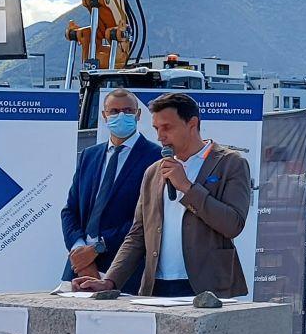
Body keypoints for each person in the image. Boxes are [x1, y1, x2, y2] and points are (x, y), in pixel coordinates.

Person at [72, 91, 251, 298]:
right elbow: (137, 234)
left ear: (192, 124)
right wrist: (110, 281)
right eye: (157, 128)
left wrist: (187, 187)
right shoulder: (154, 171)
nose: (160, 136)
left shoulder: (230, 163)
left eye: (167, 127)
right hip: (156, 288)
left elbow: (233, 224)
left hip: (209, 287)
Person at [59, 88, 162, 283]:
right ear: (104, 115)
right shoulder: (89, 156)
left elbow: (148, 217)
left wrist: (98, 248)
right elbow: (70, 210)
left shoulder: (155, 157)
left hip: (123, 268)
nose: (121, 116)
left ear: (138, 114)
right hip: (78, 266)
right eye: (114, 111)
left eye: (128, 111)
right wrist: (80, 251)